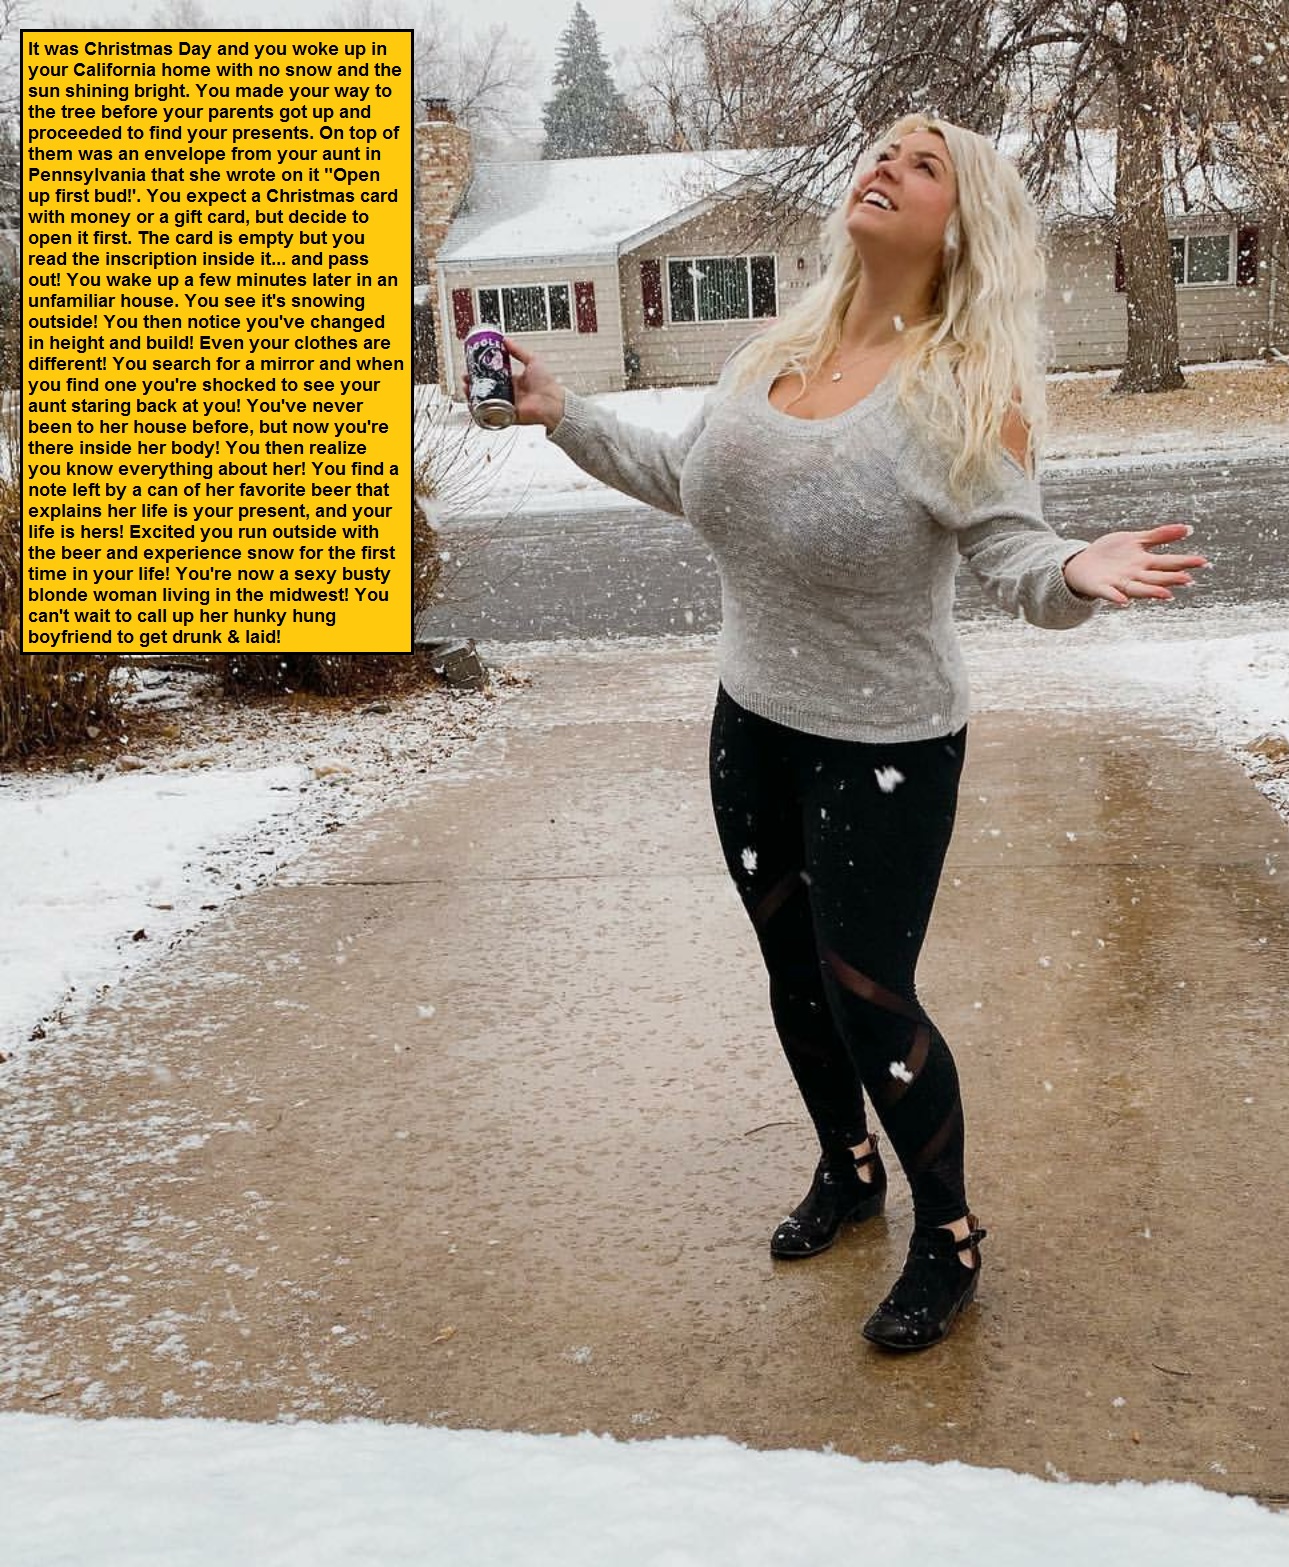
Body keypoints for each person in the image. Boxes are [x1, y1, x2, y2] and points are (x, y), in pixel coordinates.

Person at [502, 112, 1207, 1352]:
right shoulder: (772, 350)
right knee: (792, 974)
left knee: (871, 998)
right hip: (751, 722)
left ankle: (951, 1234)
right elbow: (685, 480)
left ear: (961, 227)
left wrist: (1073, 571)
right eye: (884, 150)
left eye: (925, 165)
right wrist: (562, 411)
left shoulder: (962, 390)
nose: (888, 166)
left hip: (886, 746)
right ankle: (847, 1166)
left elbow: (1014, 553)